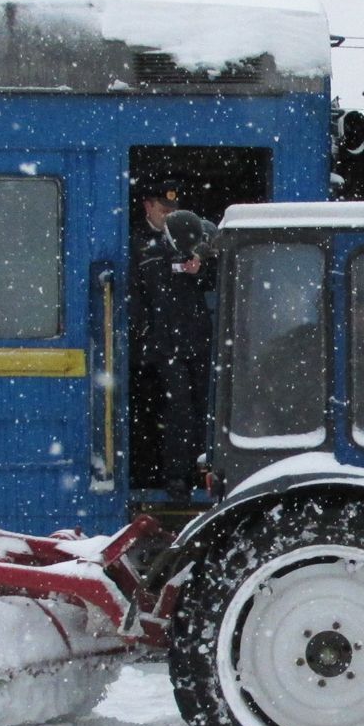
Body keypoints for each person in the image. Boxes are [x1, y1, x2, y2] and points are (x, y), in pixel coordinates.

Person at [128, 178, 216, 494]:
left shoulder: (193, 239)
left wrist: (200, 268)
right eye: (163, 210)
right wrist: (144, 334)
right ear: (148, 206)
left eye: (172, 211)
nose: (168, 216)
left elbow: (219, 275)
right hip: (164, 345)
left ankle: (203, 471)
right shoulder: (139, 247)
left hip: (197, 339)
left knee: (204, 407)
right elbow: (136, 297)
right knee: (176, 410)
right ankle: (176, 475)